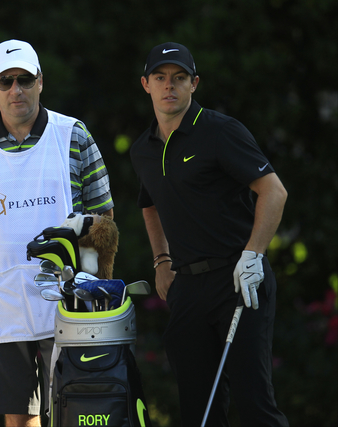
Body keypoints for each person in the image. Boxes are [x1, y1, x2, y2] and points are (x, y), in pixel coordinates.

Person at [0, 39, 114, 427]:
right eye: (5, 81)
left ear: (40, 81)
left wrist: (89, 279)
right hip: (1, 301)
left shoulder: (73, 135)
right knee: (18, 419)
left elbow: (103, 218)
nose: (15, 90)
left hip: (69, 300)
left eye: (24, 79)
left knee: (78, 411)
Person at [130, 42, 289, 426]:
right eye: (161, 78)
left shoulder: (220, 131)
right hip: (188, 285)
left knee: (255, 405)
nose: (170, 86)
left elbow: (273, 191)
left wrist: (253, 255)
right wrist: (162, 260)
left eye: (180, 78)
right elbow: (148, 204)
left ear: (194, 84)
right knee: (198, 409)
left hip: (239, 279)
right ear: (146, 84)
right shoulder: (143, 150)